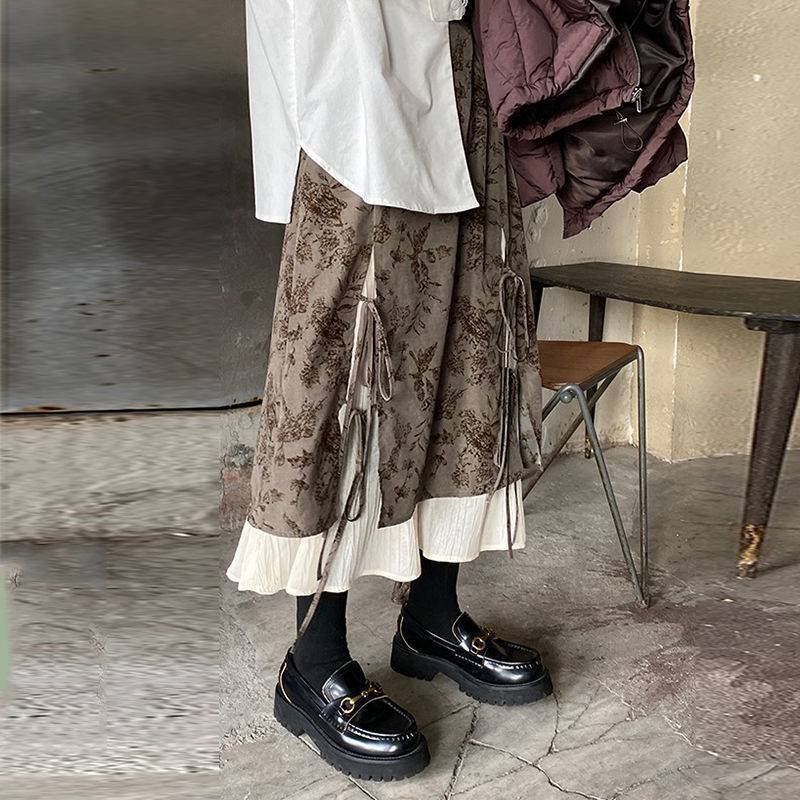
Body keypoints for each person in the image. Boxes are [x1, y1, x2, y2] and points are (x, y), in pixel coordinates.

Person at [227, 0, 551, 781]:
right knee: (344, 376)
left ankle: (432, 617)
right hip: (352, 69)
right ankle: (313, 661)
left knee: (468, 357)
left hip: (462, 64)